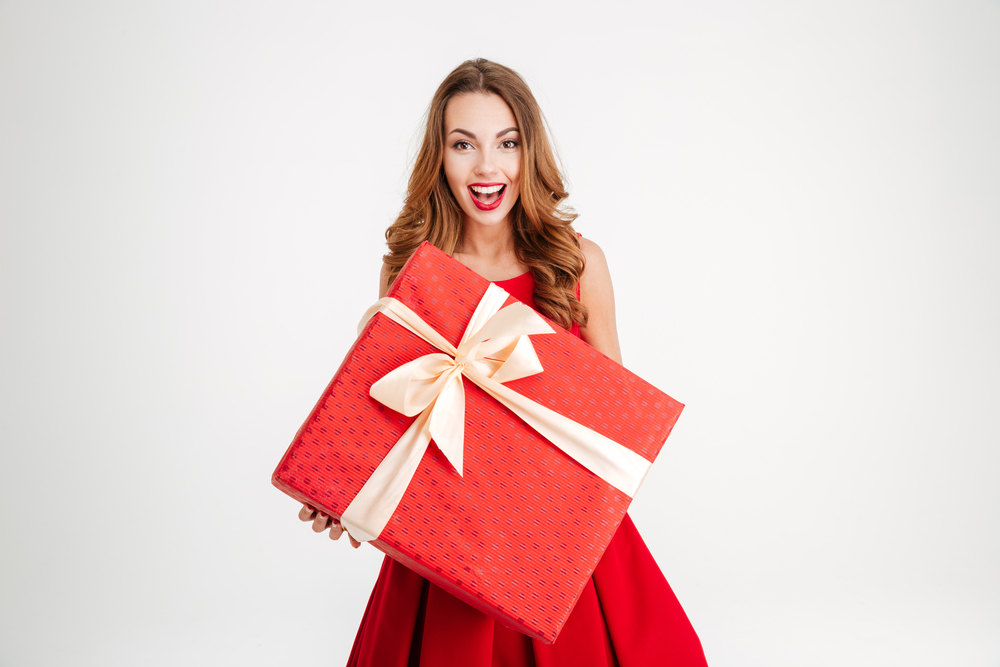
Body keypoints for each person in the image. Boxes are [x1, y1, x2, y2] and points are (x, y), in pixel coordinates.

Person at [299, 58, 708, 667]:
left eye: (507, 143)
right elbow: (385, 411)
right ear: (439, 157)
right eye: (463, 144)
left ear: (529, 151)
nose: (487, 167)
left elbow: (617, 443)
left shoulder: (579, 264)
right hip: (447, 545)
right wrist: (339, 488)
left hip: (564, 550)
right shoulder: (411, 271)